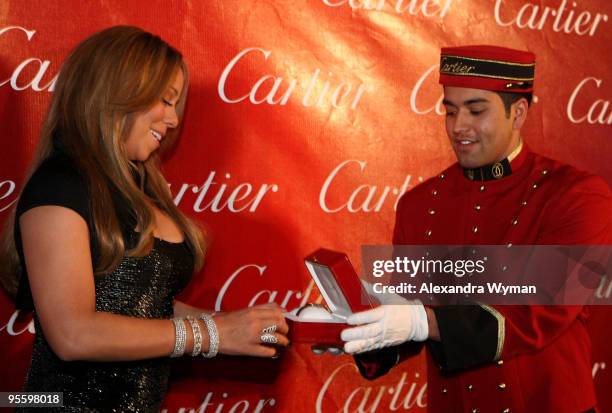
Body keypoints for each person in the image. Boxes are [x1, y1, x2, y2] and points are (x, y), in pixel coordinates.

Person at [0, 26, 288, 412]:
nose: (172, 121)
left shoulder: (141, 185)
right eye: (166, 101)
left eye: (176, 106)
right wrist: (213, 333)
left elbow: (141, 301)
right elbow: (73, 334)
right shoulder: (60, 184)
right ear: (117, 91)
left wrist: (236, 326)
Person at [340, 45, 611, 412]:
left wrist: (422, 321)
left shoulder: (579, 195)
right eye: (450, 111)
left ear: (518, 113)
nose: (458, 126)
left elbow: (541, 307)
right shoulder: (417, 204)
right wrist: (360, 333)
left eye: (476, 110)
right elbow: (406, 312)